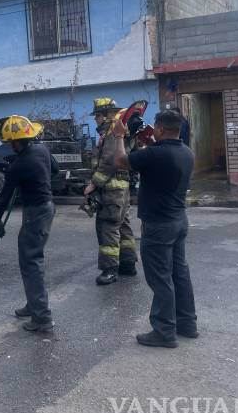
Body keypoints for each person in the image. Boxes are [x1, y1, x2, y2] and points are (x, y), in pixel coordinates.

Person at [111, 109, 197, 348]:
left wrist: (119, 136)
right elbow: (159, 161)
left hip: (159, 225)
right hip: (179, 221)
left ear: (160, 129)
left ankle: (164, 331)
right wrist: (150, 144)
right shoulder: (186, 152)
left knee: (160, 278)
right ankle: (187, 324)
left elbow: (120, 161)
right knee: (179, 274)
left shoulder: (155, 154)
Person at [0, 115, 59, 333]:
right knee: (31, 259)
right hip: (47, 207)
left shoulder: (18, 165)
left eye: (10, 142)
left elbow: (4, 196)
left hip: (35, 212)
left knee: (31, 262)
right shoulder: (42, 150)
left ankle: (42, 318)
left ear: (16, 142)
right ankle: (33, 305)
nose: (9, 146)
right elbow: (55, 169)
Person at [84, 98, 137, 286]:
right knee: (123, 226)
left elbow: (110, 160)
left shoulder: (113, 132)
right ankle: (128, 265)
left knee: (108, 227)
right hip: (121, 189)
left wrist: (94, 184)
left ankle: (110, 270)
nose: (95, 119)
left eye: (98, 115)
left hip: (111, 189)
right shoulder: (117, 131)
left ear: (106, 115)